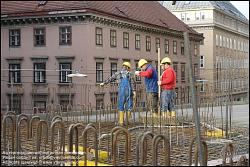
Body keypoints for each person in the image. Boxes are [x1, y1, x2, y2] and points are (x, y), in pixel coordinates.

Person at [100, 62, 136, 126]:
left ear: (123, 67)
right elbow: (133, 83)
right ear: (128, 67)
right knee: (129, 106)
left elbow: (110, 79)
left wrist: (103, 83)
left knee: (121, 105)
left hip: (121, 92)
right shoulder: (130, 74)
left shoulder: (117, 73)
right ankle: (127, 121)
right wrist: (134, 91)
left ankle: (121, 122)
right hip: (129, 92)